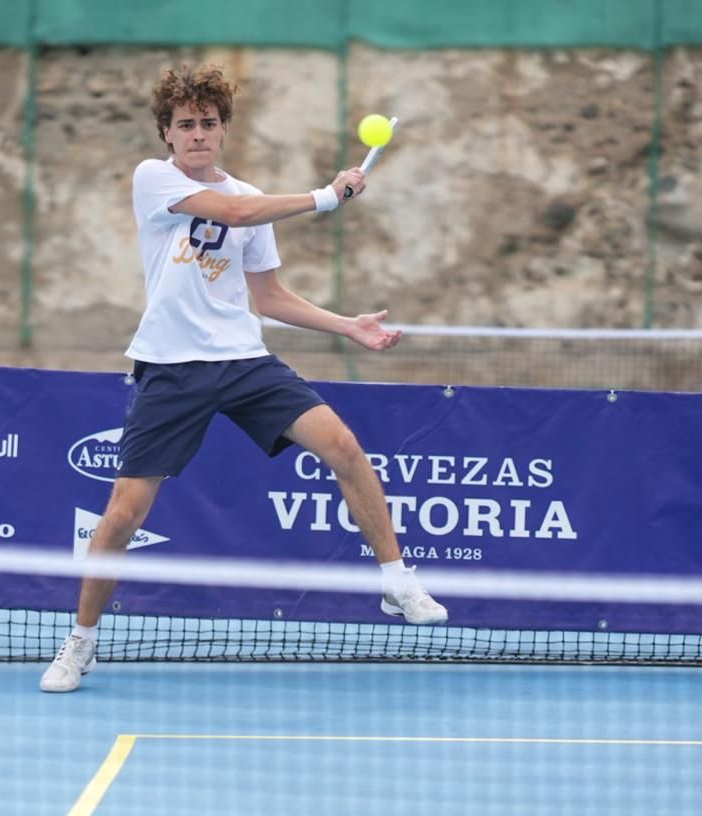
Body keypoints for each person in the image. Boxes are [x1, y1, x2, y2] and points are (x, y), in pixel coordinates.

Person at [42, 64, 447, 694]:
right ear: (167, 133)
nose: (197, 134)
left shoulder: (249, 194)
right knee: (123, 514)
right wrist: (325, 196)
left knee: (344, 447)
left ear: (224, 129)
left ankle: (397, 582)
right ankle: (81, 641)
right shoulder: (154, 178)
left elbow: (270, 297)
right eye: (185, 125)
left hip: (243, 362)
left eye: (208, 123)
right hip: (172, 367)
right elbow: (233, 212)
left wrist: (347, 326)